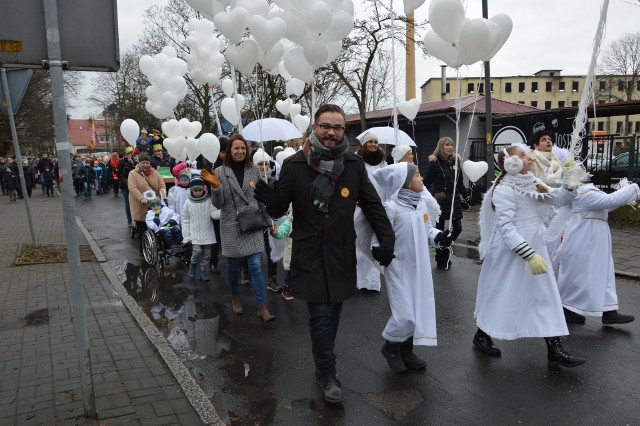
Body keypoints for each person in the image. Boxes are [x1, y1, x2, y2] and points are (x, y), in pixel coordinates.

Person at [253, 104, 395, 404]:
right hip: (310, 253)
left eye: (338, 127)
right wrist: (270, 199)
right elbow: (280, 208)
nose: (331, 132)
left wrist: (387, 239)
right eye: (326, 126)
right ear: (314, 128)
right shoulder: (294, 165)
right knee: (319, 314)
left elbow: (372, 206)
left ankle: (323, 361)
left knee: (334, 313)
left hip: (342, 252)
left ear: (344, 131)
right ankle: (327, 373)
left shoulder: (353, 166)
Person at [473, 146, 585, 368]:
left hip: (536, 246)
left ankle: (554, 348)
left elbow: (555, 199)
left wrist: (570, 185)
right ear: (510, 163)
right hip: (512, 252)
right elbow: (506, 228)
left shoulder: (531, 180)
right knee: (501, 295)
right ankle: (482, 334)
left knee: (546, 295)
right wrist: (528, 255)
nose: (529, 158)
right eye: (523, 155)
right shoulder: (503, 189)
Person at [371, 162, 453, 373]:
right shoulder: (391, 208)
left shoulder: (421, 205)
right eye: (417, 175)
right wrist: (379, 249)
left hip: (420, 267)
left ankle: (406, 350)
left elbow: (427, 230)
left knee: (417, 310)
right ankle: (390, 347)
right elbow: (377, 235)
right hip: (399, 267)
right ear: (405, 183)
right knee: (404, 313)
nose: (422, 179)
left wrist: (439, 237)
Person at [201, 134, 276, 323]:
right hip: (231, 223)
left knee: (256, 266)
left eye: (244, 148)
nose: (241, 151)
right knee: (233, 266)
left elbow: (261, 200)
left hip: (253, 222)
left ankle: (262, 307)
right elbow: (218, 204)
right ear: (229, 151)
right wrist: (216, 187)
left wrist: (270, 222)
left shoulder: (253, 171)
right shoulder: (219, 172)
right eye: (236, 148)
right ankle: (235, 296)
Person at [555, 179, 640, 325]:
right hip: (584, 239)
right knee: (579, 275)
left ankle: (609, 311)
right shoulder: (583, 193)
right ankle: (567, 309)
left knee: (604, 273)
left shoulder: (589, 191)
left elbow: (608, 205)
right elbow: (610, 200)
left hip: (594, 239)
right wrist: (635, 187)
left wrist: (627, 192)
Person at [423, 137, 470, 270]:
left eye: (451, 145)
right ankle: (440, 256)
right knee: (439, 230)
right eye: (447, 145)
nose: (450, 147)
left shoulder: (456, 161)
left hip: (454, 200)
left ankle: (445, 248)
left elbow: (459, 182)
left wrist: (467, 196)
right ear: (441, 147)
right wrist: (423, 197)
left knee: (458, 228)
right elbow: (427, 182)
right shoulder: (435, 163)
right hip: (441, 201)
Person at [354, 131, 387, 292]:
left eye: (375, 141)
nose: (373, 144)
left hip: (378, 209)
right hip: (360, 208)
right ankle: (360, 281)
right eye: (370, 142)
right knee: (360, 245)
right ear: (364, 144)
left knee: (374, 243)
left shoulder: (383, 163)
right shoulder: (358, 162)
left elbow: (387, 185)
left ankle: (372, 283)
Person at [254, 149, 282, 293]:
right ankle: (245, 271)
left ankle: (272, 279)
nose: (263, 167)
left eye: (265, 164)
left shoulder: (273, 182)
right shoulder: (251, 182)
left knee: (271, 249)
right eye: (259, 164)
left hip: (268, 220)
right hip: (253, 220)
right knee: (252, 252)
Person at [181, 176, 219, 282]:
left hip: (207, 232)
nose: (198, 192)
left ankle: (203, 270)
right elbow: (185, 220)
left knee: (207, 255)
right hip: (195, 233)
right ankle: (193, 264)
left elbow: (214, 214)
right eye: (195, 190)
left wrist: (223, 212)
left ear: (203, 189)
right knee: (196, 251)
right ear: (191, 191)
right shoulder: (188, 203)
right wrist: (186, 236)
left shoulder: (209, 200)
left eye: (200, 190)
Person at [128, 152, 166, 250]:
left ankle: (156, 246)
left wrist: (163, 195)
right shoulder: (133, 173)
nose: (145, 165)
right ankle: (144, 249)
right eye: (143, 163)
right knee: (143, 228)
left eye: (147, 163)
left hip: (154, 205)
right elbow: (132, 188)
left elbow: (162, 185)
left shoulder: (155, 173)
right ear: (139, 163)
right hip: (141, 205)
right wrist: (141, 198)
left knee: (156, 226)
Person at [210, 137, 228, 274]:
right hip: (214, 202)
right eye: (222, 151)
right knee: (216, 234)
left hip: (229, 203)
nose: (225, 154)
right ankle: (214, 261)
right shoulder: (211, 164)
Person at [118, 147, 136, 227]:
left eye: (132, 154)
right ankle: (129, 220)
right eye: (129, 154)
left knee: (136, 204)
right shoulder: (122, 163)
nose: (131, 155)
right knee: (128, 203)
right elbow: (120, 175)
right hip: (125, 187)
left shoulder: (134, 162)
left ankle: (136, 219)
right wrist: (129, 183)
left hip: (135, 187)